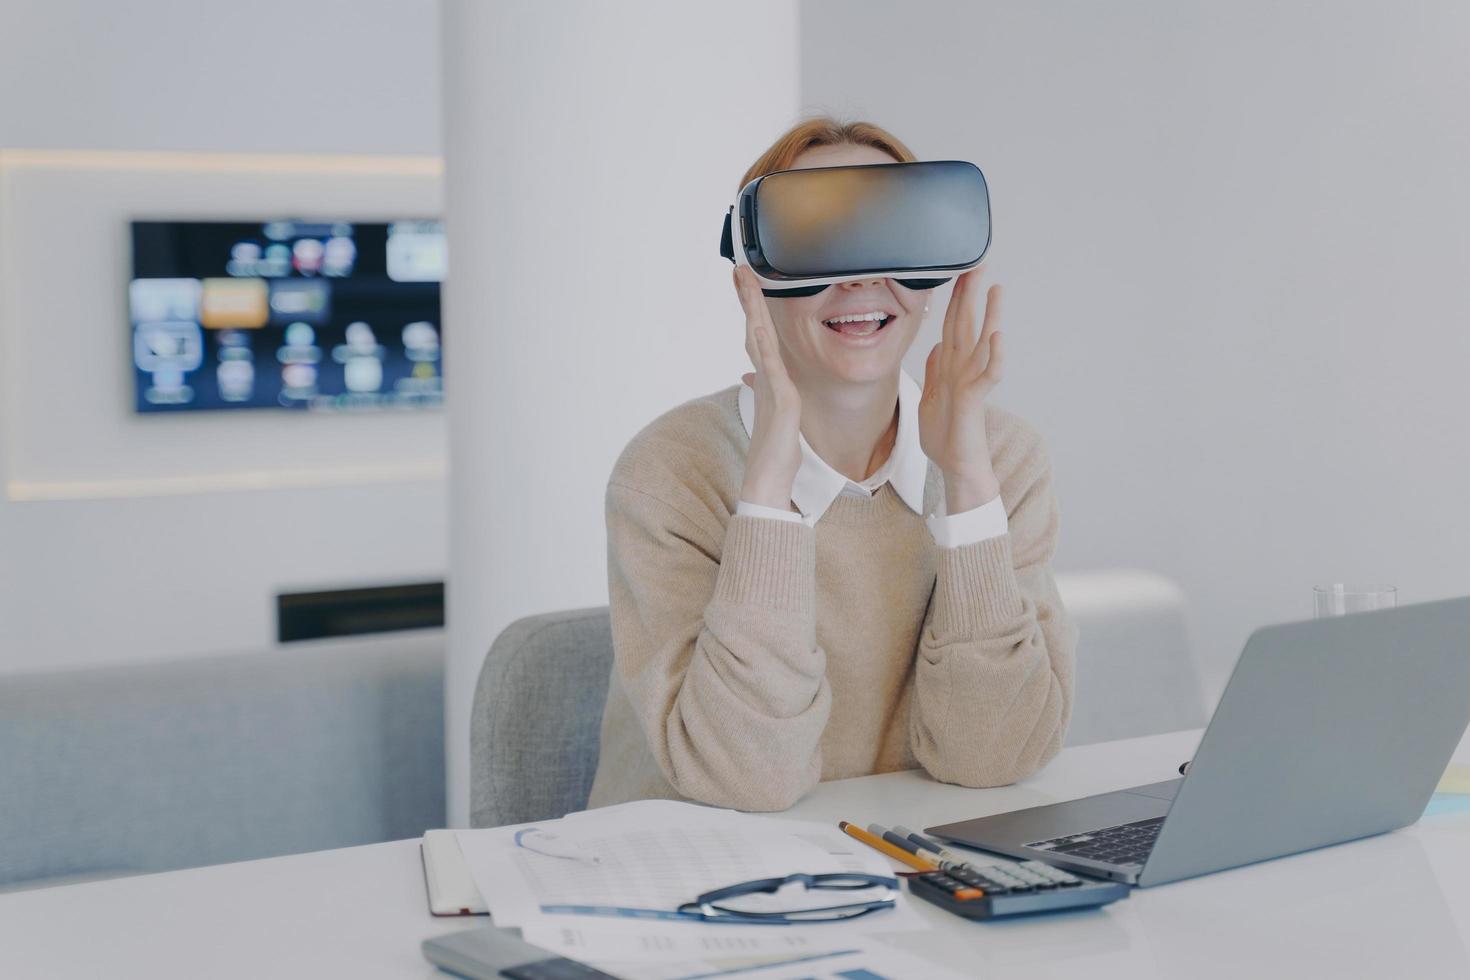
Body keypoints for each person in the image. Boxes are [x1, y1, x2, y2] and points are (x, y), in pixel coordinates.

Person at [586, 117, 1076, 812]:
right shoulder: (672, 470)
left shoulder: (1001, 457)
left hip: (905, 876)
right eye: (819, 238)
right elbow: (745, 781)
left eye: (889, 235)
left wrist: (966, 482)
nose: (862, 278)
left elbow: (996, 756)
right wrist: (767, 496)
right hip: (701, 882)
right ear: (754, 277)